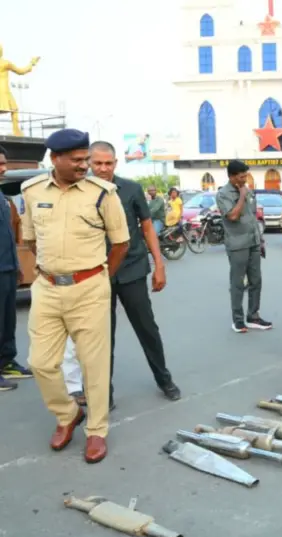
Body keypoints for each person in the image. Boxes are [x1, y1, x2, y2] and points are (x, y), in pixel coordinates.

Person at [21, 129, 130, 464]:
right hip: (48, 288)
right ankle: (67, 413)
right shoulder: (32, 190)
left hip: (90, 288)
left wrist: (97, 279)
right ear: (55, 159)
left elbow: (121, 243)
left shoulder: (103, 193)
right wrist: (52, 270)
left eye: (87, 159)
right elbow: (30, 239)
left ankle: (96, 430)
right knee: (39, 362)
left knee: (93, 365)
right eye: (78, 160)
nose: (86, 165)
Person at [85, 141, 180, 406]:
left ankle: (164, 379)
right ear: (89, 163)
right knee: (103, 336)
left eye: (108, 163)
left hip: (132, 269)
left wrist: (159, 265)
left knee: (146, 328)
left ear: (115, 163)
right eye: (98, 163)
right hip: (96, 274)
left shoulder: (131, 189)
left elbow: (148, 228)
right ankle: (105, 393)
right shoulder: (81, 192)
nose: (103, 168)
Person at [216, 160, 271, 333]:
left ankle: (253, 316)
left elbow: (252, 216)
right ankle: (238, 320)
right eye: (241, 176)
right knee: (238, 283)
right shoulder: (223, 194)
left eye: (246, 175)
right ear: (232, 177)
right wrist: (241, 195)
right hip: (237, 244)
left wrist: (260, 240)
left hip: (253, 241)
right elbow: (232, 216)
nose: (244, 179)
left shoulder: (248, 191)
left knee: (256, 281)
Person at [0, 145, 33, 390]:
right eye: (0, 164)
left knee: (8, 321)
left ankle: (6, 362)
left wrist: (17, 266)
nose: (4, 169)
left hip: (8, 268)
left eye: (4, 163)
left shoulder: (3, 197)